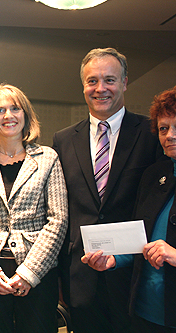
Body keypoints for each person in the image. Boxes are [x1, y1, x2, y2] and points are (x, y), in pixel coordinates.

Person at [52, 47, 163, 333]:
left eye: (110, 80)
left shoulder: (152, 134)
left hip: (136, 278)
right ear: (83, 86)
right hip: (80, 276)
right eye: (92, 81)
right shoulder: (63, 141)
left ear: (125, 83)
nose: (100, 88)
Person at [0, 83, 68, 333]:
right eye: (0, 110)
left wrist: (30, 273)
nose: (8, 116)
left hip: (38, 273)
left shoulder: (48, 158)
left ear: (25, 115)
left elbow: (58, 220)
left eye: (15, 109)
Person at [82, 85, 176, 332]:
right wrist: (113, 259)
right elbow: (140, 238)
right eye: (164, 128)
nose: (169, 136)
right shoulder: (155, 175)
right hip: (145, 310)